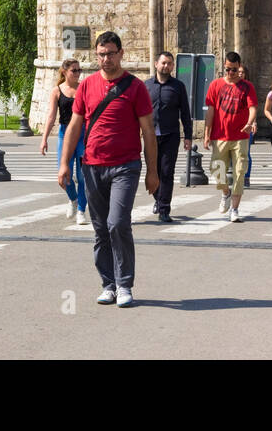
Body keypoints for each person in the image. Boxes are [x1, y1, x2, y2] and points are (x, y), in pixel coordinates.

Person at [58, 31, 157, 309]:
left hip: (125, 166)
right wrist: (65, 163)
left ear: (121, 54)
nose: (106, 59)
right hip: (92, 165)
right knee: (101, 228)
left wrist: (153, 172)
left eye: (111, 53)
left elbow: (148, 131)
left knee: (117, 223)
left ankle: (124, 284)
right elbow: (75, 127)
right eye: (101, 54)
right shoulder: (87, 86)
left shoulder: (135, 87)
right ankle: (108, 284)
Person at [204, 51, 259, 222]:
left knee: (239, 172)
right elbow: (211, 111)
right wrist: (206, 134)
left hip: (241, 137)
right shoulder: (215, 85)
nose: (231, 73)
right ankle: (225, 192)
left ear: (239, 68)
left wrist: (250, 123)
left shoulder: (247, 86)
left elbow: (253, 108)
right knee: (216, 169)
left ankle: (234, 210)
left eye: (234, 70)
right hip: (220, 136)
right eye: (228, 69)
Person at [146, 51, 192, 223]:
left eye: (169, 63)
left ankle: (164, 208)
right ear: (156, 64)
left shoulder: (178, 86)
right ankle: (158, 199)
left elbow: (185, 113)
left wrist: (188, 136)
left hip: (170, 135)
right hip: (150, 136)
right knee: (153, 171)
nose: (166, 66)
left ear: (172, 66)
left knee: (166, 172)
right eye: (163, 63)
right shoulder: (146, 86)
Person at [41, 59, 87, 224]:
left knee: (83, 177)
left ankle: (81, 210)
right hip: (64, 134)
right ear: (65, 72)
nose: (77, 73)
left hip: (82, 135)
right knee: (63, 176)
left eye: (79, 70)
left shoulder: (84, 88)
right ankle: (73, 199)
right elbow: (52, 116)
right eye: (74, 70)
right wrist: (44, 138)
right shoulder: (57, 91)